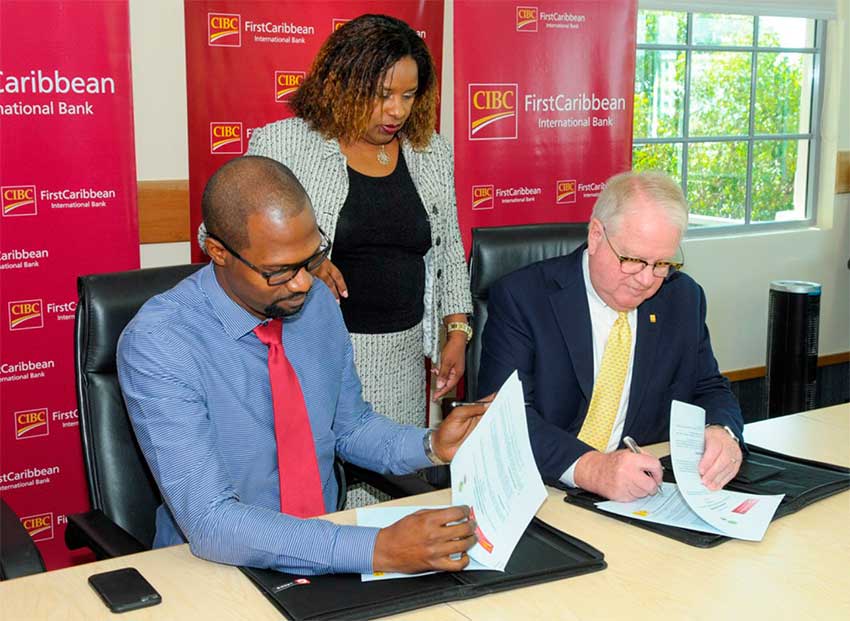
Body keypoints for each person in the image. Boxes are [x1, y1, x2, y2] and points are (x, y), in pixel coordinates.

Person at [118, 156, 485, 575]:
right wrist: (377, 549)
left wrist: (432, 445)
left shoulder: (317, 307)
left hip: (331, 552)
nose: (303, 283)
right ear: (218, 251)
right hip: (219, 567)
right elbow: (210, 521)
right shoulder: (160, 342)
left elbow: (350, 427)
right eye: (279, 271)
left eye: (311, 259)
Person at [198, 14, 472, 506]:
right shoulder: (286, 143)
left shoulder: (431, 151)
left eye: (409, 96)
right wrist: (310, 258)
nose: (397, 111)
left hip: (403, 355)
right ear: (343, 82)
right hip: (313, 348)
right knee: (318, 499)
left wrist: (457, 327)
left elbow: (448, 246)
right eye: (383, 94)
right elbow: (219, 235)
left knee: (392, 499)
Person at [476, 171, 744, 503]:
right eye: (633, 260)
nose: (647, 279)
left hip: (640, 494)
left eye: (662, 263)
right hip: (539, 490)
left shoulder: (682, 298)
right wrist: (593, 469)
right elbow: (502, 417)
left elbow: (707, 386)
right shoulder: (524, 298)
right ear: (596, 235)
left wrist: (723, 432)